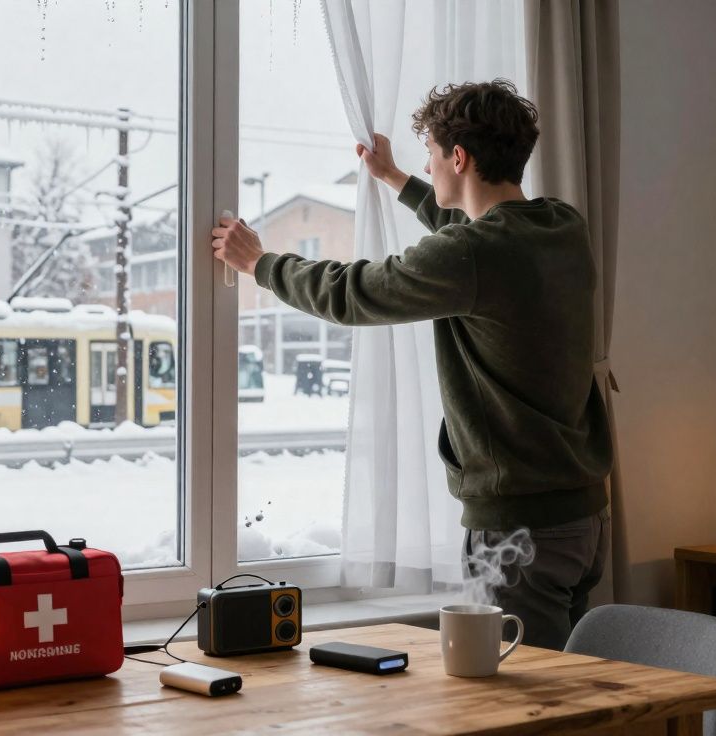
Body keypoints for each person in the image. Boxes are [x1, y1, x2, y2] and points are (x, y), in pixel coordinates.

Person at [211, 80, 614, 650]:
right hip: (584, 515)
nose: (427, 160)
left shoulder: (472, 255)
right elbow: (472, 239)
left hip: (519, 524)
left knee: (530, 696)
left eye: (431, 151)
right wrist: (397, 178)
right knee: (576, 687)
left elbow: (353, 293)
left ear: (459, 157)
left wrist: (261, 263)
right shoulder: (560, 226)